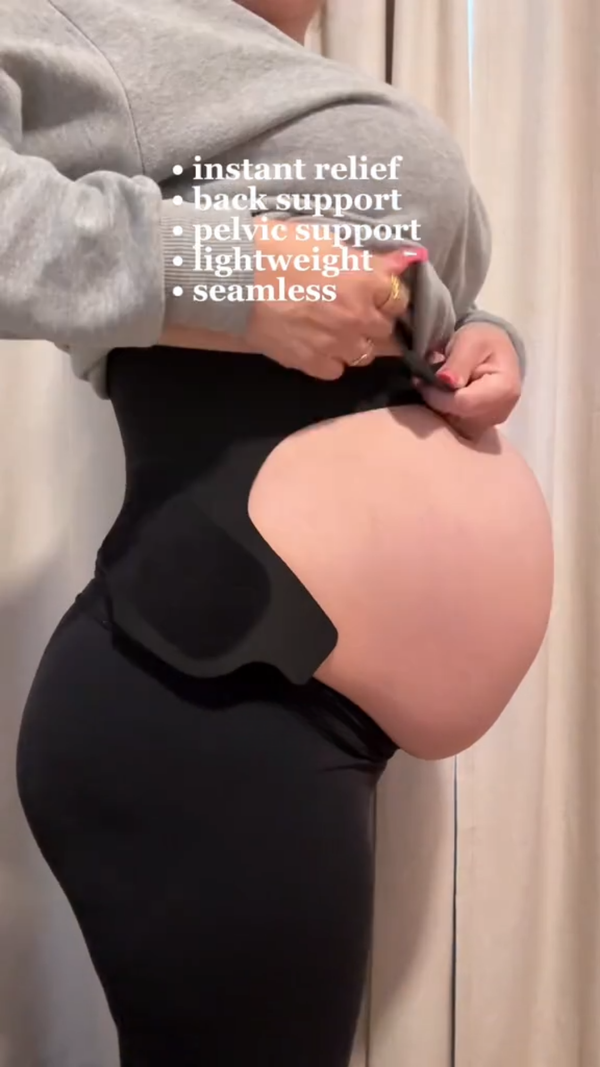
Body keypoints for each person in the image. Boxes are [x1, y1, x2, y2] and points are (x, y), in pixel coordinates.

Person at [11, 1, 553, 1065]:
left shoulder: (312, 84)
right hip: (205, 694)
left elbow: (429, 304)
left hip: (279, 708)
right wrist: (240, 275)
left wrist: (484, 340)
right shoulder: (101, 25)